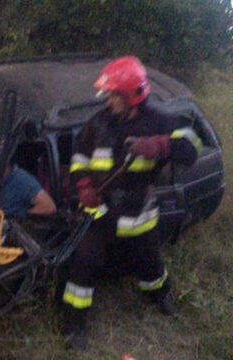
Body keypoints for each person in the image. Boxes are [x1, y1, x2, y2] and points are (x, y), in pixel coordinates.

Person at [60, 56, 203, 349]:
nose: (108, 101)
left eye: (113, 95)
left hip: (138, 212)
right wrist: (85, 186)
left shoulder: (159, 120)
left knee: (149, 262)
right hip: (99, 212)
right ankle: (74, 324)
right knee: (83, 263)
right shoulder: (98, 123)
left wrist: (160, 145)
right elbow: (78, 157)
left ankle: (160, 298)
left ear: (132, 96)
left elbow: (193, 146)